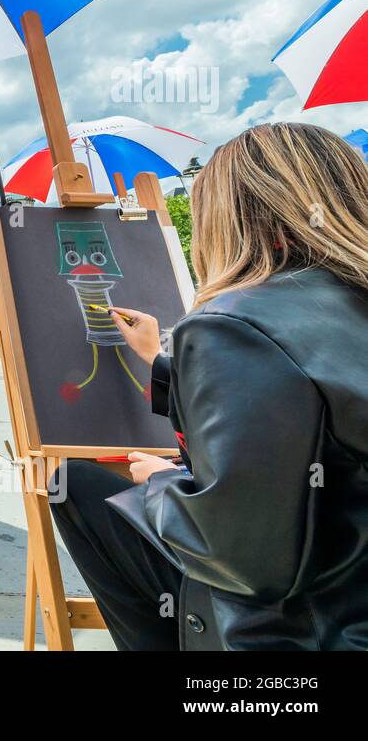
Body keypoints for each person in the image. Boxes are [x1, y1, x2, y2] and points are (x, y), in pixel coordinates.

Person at [51, 123, 368, 650]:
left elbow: (239, 554)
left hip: (304, 630)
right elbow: (311, 400)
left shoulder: (235, 322)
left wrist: (160, 485)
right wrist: (161, 360)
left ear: (226, 217)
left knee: (74, 486)